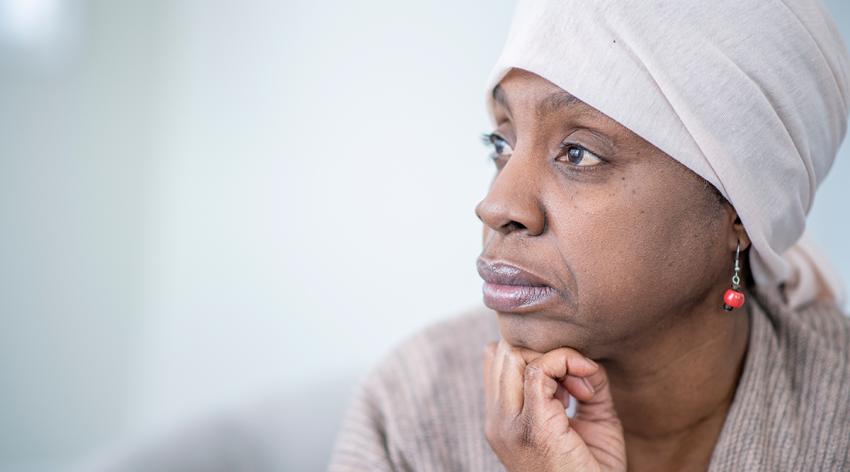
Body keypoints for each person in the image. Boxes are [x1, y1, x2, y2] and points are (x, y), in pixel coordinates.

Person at [327, 1, 850, 471]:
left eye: (578, 153)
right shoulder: (412, 411)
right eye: (501, 142)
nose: (496, 206)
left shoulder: (836, 420)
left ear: (740, 209)